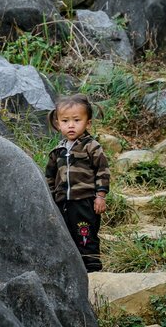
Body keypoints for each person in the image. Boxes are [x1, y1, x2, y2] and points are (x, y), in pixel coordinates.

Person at [45, 94, 110, 272]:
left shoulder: (91, 147)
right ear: (58, 124)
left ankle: (92, 268)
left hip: (85, 201)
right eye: (65, 121)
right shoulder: (56, 151)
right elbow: (49, 177)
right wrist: (51, 200)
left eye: (76, 120)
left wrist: (100, 196)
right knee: (66, 235)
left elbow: (102, 171)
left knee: (86, 234)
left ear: (87, 123)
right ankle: (72, 270)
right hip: (62, 203)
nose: (71, 125)